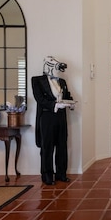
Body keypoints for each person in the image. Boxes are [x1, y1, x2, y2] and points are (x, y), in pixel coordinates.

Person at [32, 56, 75, 185]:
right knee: (47, 146)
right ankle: (47, 175)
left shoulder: (62, 81)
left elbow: (67, 96)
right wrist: (54, 105)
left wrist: (71, 104)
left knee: (62, 145)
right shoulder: (36, 80)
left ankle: (61, 174)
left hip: (61, 117)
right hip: (47, 117)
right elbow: (39, 99)